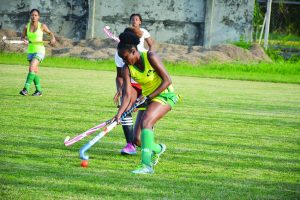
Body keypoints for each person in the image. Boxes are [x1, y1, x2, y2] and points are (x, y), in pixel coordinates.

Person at [113, 32, 179, 174]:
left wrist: (148, 97)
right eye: (121, 59)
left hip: (165, 94)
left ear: (133, 51)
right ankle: (158, 149)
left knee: (146, 123)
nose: (124, 61)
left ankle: (146, 165)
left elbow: (167, 80)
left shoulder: (150, 56)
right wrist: (119, 114)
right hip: (148, 98)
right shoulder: (127, 68)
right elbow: (127, 94)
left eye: (125, 57)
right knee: (137, 140)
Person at [114, 14, 154, 155]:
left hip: (146, 85)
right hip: (130, 83)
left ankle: (147, 142)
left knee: (142, 128)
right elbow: (119, 76)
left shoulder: (144, 55)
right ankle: (130, 145)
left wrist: (143, 96)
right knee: (125, 106)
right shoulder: (120, 54)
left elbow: (153, 80)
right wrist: (120, 90)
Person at [19, 8, 56, 96]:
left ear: (38, 17)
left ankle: (25, 89)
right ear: (30, 16)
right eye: (32, 15)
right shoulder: (26, 27)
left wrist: (53, 38)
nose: (34, 17)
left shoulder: (42, 26)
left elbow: (50, 33)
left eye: (36, 15)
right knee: (34, 71)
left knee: (31, 68)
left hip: (40, 50)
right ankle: (38, 91)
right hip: (31, 51)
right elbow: (22, 37)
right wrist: (24, 40)